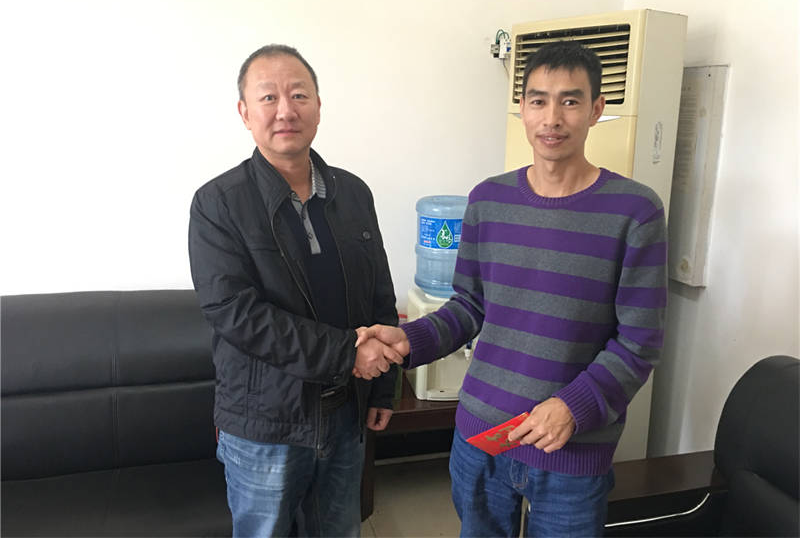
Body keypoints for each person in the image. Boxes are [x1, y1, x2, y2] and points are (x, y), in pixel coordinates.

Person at [359, 41, 667, 537]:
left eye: (570, 101)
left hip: (571, 450)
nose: (552, 118)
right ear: (522, 108)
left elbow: (639, 342)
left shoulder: (635, 211)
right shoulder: (488, 200)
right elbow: (469, 306)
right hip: (481, 437)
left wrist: (573, 407)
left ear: (596, 110)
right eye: (539, 100)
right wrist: (408, 340)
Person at [188, 44, 402, 537]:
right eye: (268, 97)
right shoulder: (218, 204)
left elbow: (379, 295)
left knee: (339, 530)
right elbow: (236, 314)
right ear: (245, 113)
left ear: (318, 107)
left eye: (299, 95)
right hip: (265, 424)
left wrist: (383, 387)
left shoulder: (353, 193)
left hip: (346, 413)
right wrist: (348, 352)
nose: (286, 110)